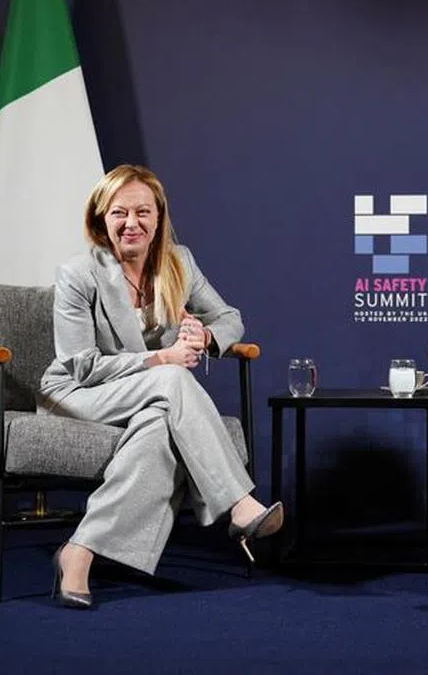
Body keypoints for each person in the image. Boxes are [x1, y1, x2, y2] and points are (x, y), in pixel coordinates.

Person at [38, 164, 283, 609]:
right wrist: (162, 358)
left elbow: (230, 318)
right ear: (100, 219)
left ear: (158, 217)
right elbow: (82, 367)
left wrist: (204, 337)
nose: (131, 223)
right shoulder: (78, 274)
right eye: (118, 213)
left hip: (150, 399)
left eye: (142, 212)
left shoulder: (179, 262)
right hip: (79, 393)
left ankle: (79, 553)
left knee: (156, 433)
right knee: (171, 378)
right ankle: (240, 505)